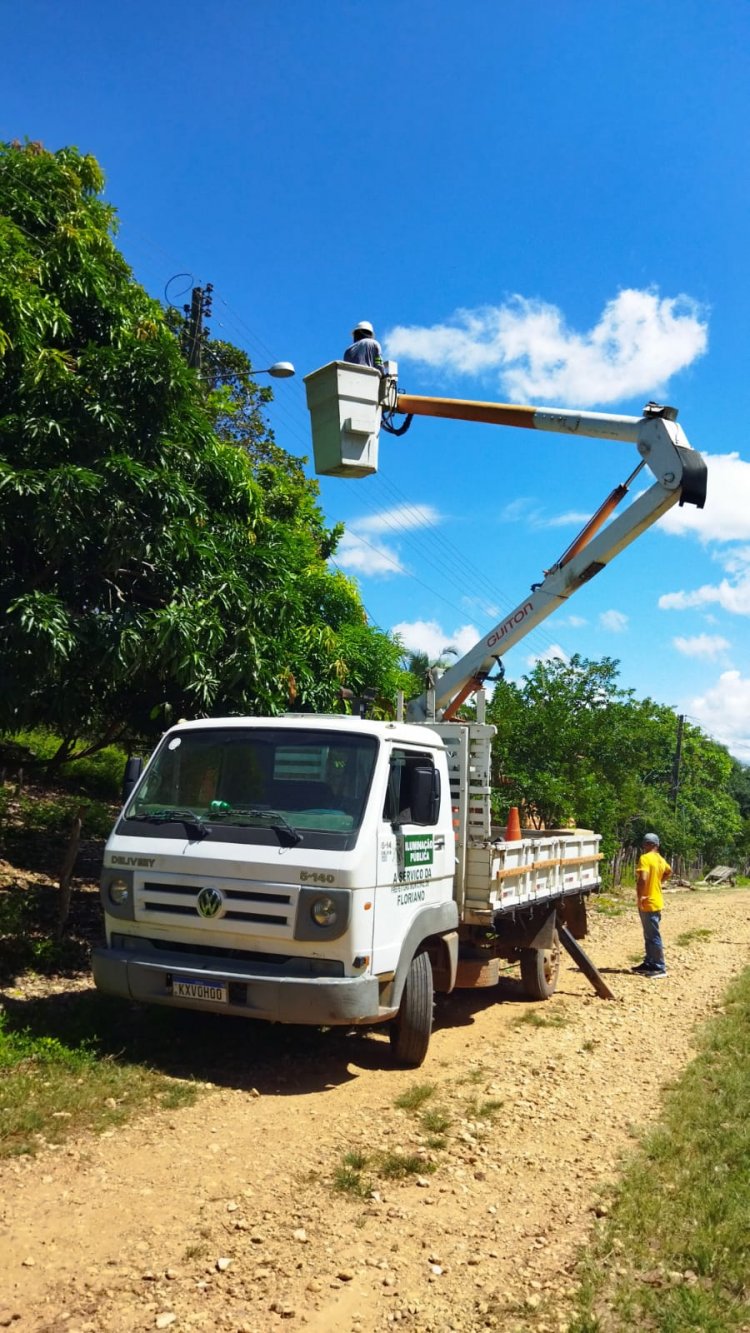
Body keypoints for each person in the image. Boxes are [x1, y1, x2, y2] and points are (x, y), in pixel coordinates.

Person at [631, 832, 671, 977]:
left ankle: (659, 967)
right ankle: (649, 963)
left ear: (647, 844)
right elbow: (669, 871)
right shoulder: (660, 859)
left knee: (653, 935)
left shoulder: (645, 858)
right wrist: (659, 882)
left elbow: (642, 879)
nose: (643, 846)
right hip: (656, 900)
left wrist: (640, 896)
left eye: (645, 843)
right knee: (649, 934)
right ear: (657, 845)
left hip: (648, 902)